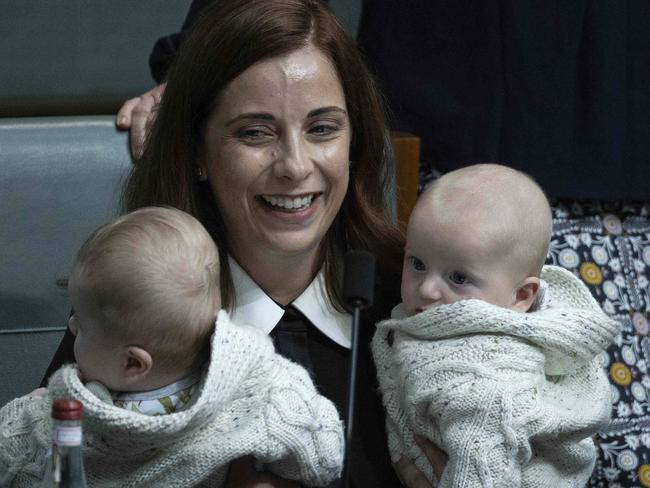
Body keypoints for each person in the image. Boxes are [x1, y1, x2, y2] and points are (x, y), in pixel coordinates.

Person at [42, 1, 450, 486]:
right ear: (198, 152)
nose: (295, 166)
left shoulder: (423, 306)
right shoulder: (130, 306)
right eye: (255, 133)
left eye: (322, 129)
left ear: (354, 142)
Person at [1, 206, 345, 486]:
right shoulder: (256, 391)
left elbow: (12, 456)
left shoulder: (74, 417)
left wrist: (28, 411)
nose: (72, 327)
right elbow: (326, 452)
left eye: (81, 326)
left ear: (134, 364)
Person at [372, 164, 620, 487]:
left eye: (458, 278)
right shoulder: (441, 319)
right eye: (417, 264)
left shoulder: (484, 385)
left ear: (521, 296)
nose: (426, 289)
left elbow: (481, 474)